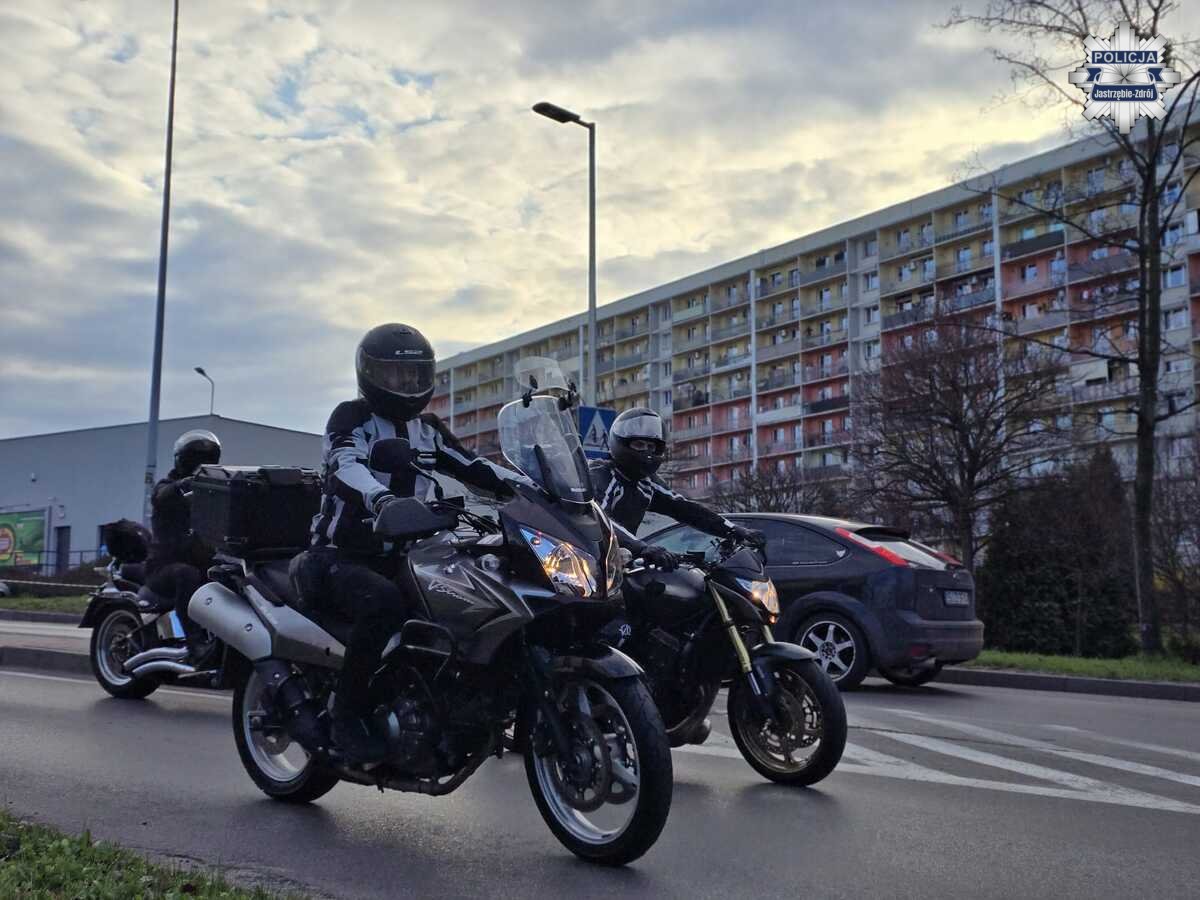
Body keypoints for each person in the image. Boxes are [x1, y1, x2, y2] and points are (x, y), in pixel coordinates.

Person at [309, 323, 520, 764]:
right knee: (383, 603)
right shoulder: (351, 418)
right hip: (340, 556)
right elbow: (345, 465)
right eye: (395, 374)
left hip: (407, 557)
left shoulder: (427, 428)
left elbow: (473, 466)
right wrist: (381, 498)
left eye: (414, 375)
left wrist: (535, 490)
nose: (406, 384)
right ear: (370, 374)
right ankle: (348, 717)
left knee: (470, 597)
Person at [590, 407, 765, 568]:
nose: (647, 452)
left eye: (651, 447)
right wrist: (642, 547)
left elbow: (685, 508)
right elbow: (598, 517)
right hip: (591, 563)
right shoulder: (602, 474)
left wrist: (734, 530)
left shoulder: (647, 483)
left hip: (620, 562)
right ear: (621, 443)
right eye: (639, 445)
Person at [145, 429, 222, 648]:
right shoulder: (167, 487)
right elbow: (161, 495)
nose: (201, 466)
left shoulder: (211, 493)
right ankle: (194, 642)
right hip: (162, 567)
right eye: (196, 460)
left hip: (201, 561)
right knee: (187, 574)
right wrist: (183, 484)